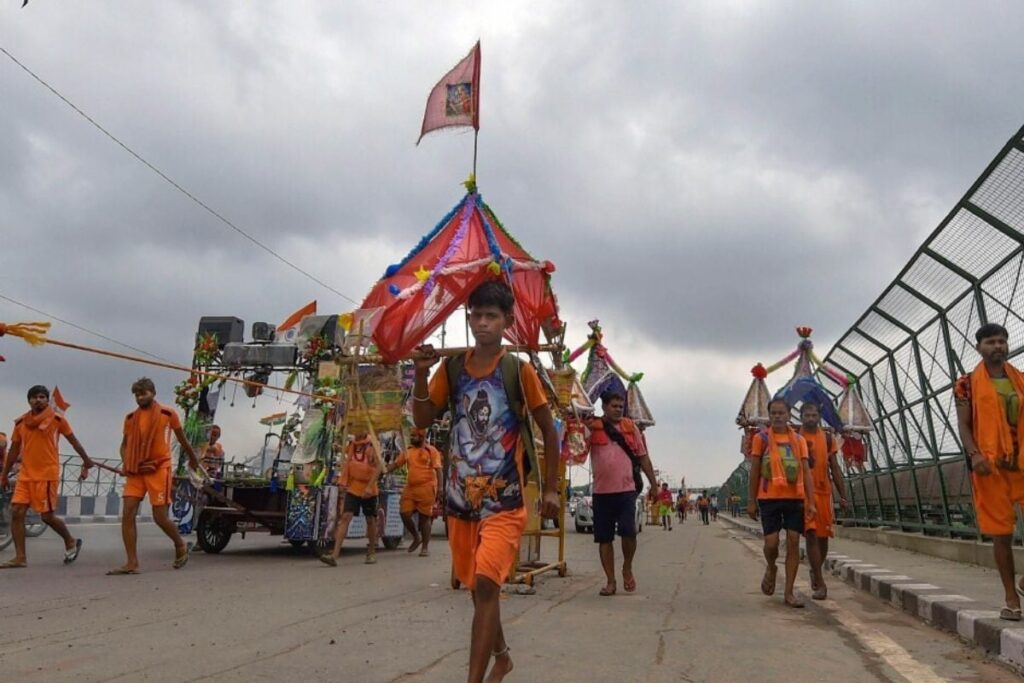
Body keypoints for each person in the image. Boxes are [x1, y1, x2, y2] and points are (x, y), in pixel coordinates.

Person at [412, 280, 561, 683]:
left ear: (507, 322)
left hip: (505, 501)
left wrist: (550, 488)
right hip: (461, 503)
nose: (482, 324)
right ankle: (503, 657)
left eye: (491, 317)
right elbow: (423, 421)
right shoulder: (454, 368)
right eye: (476, 315)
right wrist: (421, 376)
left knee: (485, 583)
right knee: (479, 591)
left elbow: (550, 430)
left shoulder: (518, 370)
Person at [955, 323, 1024, 621]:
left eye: (1002, 341)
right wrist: (974, 454)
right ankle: (1011, 598)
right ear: (979, 347)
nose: (997, 346)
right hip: (990, 467)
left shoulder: (1021, 380)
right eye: (991, 342)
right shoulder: (966, 384)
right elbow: (964, 424)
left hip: (1022, 463)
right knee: (1001, 534)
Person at [108, 378, 200, 575]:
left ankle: (180, 544)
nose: (140, 398)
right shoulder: (130, 418)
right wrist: (126, 463)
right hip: (136, 470)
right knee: (128, 514)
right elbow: (124, 445)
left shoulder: (168, 414)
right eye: (137, 395)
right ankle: (131, 562)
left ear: (153, 393)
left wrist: (193, 460)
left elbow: (183, 440)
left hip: (159, 468)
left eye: (144, 393)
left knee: (160, 517)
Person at [0, 386, 94, 569]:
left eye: (42, 397)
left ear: (47, 400)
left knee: (47, 517)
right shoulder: (21, 423)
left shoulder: (58, 420)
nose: (38, 400)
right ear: (29, 401)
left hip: (47, 475)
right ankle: (20, 558)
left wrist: (86, 461)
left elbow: (73, 441)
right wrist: (4, 475)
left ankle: (70, 541)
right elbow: (13, 450)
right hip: (25, 475)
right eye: (34, 397)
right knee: (17, 512)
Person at [588, 390, 657, 597]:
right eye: (614, 406)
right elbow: (577, 449)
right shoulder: (592, 427)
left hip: (626, 490)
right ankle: (610, 580)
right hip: (601, 492)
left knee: (629, 532)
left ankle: (627, 566)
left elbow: (644, 458)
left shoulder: (630, 428)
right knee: (604, 538)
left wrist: (653, 485)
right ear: (604, 407)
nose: (618, 409)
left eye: (620, 406)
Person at [748, 397, 816, 608]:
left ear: (788, 415)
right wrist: (751, 501)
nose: (777, 417)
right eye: (774, 413)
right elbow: (755, 470)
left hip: (794, 498)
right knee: (771, 543)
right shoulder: (761, 439)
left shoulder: (798, 441)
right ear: (769, 416)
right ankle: (771, 566)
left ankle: (789, 592)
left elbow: (806, 471)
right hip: (768, 498)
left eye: (781, 413)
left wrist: (811, 501)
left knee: (794, 541)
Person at [799, 402, 848, 601]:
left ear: (819, 416)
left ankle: (815, 569)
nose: (810, 419)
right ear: (801, 417)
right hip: (802, 494)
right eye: (806, 415)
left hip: (823, 492)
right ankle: (820, 581)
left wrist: (843, 495)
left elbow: (834, 467)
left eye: (813, 415)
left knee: (823, 537)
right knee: (810, 534)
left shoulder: (827, 439)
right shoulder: (796, 437)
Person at [322, 432, 382, 566]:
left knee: (370, 519)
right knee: (345, 517)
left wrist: (370, 486)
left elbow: (379, 467)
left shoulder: (372, 445)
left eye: (358, 427)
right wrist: (336, 446)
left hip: (369, 489)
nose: (356, 429)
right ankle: (335, 555)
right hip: (353, 487)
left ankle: (371, 552)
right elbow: (345, 455)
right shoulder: (352, 445)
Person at [386, 428, 442, 556]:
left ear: (422, 437)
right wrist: (383, 470)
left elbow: (438, 469)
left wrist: (440, 488)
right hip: (410, 488)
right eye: (411, 436)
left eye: (414, 436)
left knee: (424, 518)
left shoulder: (431, 450)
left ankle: (425, 547)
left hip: (427, 487)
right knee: (404, 513)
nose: (411, 438)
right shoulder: (408, 451)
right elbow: (396, 464)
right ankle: (416, 537)